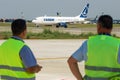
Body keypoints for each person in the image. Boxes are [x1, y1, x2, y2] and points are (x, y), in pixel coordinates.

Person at [67, 15, 120, 80]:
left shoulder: (88, 43)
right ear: (111, 28)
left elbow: (71, 61)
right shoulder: (118, 44)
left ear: (98, 26)